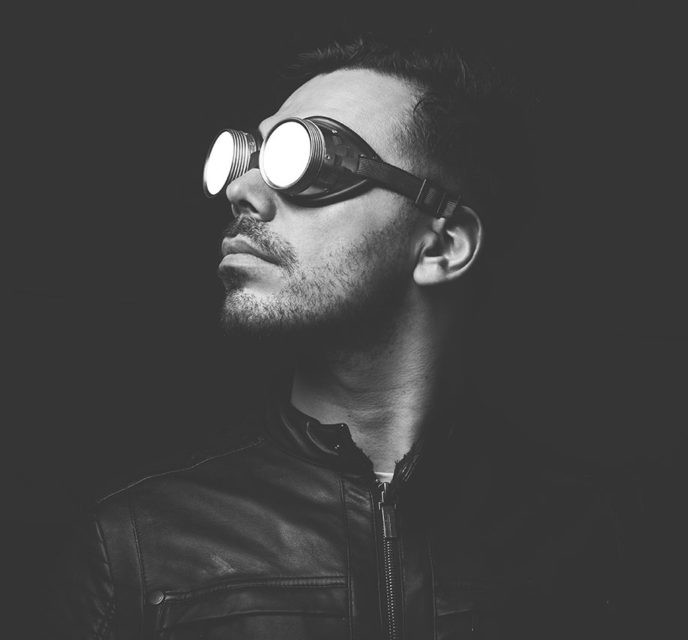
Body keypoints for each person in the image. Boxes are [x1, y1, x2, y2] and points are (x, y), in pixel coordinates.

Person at [46, 31, 624, 639]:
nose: (243, 192)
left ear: (442, 246)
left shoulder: (583, 538)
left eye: (309, 160)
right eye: (252, 159)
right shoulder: (137, 551)